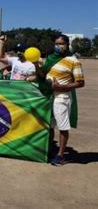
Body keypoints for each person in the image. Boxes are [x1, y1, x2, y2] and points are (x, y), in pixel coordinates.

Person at [35, 35, 85, 166]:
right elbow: (42, 75)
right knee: (49, 126)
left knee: (62, 127)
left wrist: (61, 87)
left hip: (62, 98)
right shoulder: (51, 58)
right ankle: (50, 150)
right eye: (56, 43)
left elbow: (80, 83)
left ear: (67, 44)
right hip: (48, 97)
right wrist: (36, 66)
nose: (59, 46)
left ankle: (60, 156)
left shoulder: (73, 61)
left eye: (61, 43)